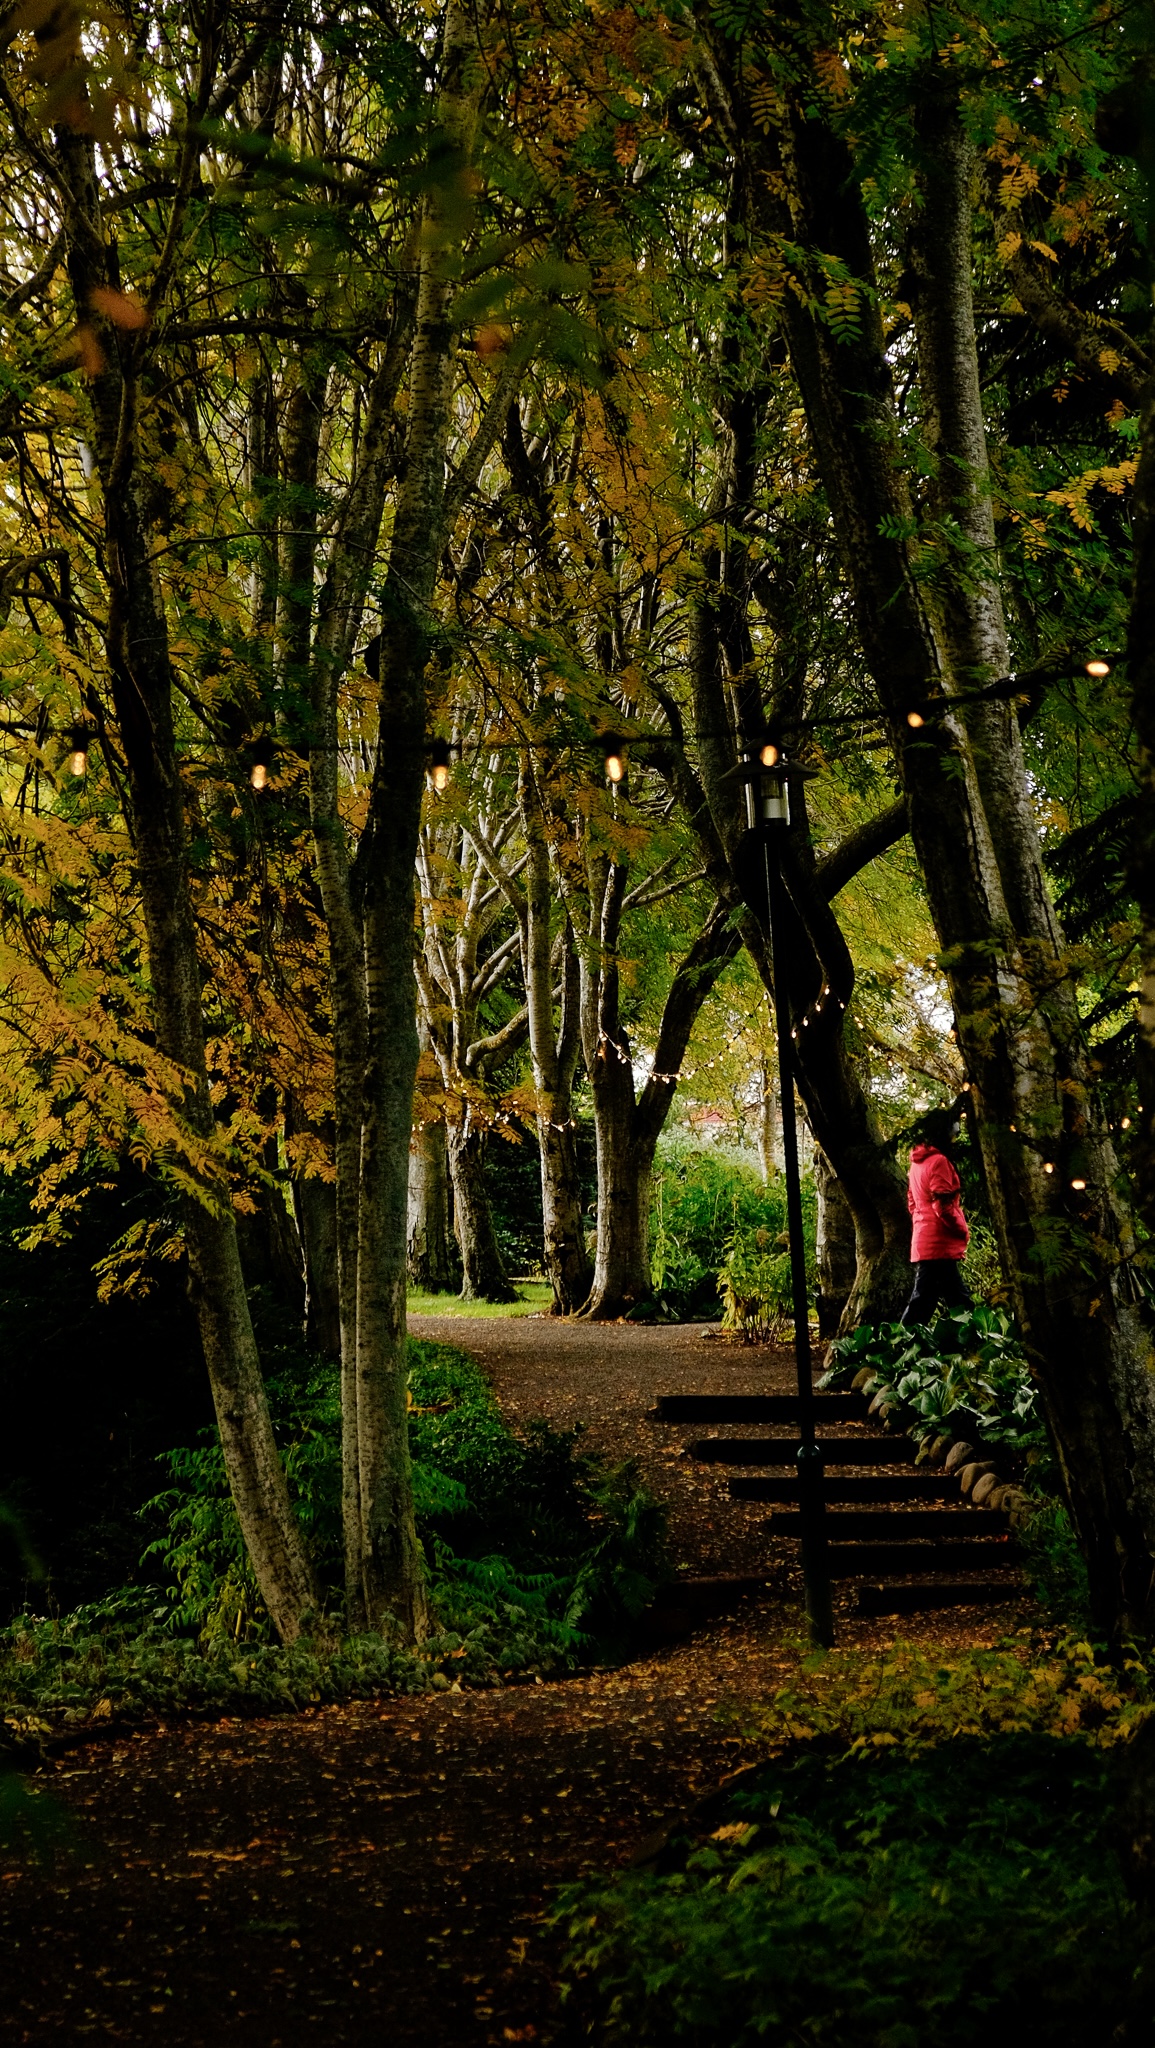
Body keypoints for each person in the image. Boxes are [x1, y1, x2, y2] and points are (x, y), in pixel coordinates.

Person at [900, 1109, 972, 1326]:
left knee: (941, 1298)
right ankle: (901, 1343)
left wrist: (923, 1222)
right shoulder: (939, 1161)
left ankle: (906, 1343)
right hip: (939, 1240)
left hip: (926, 1237)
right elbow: (943, 1205)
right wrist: (962, 1230)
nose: (957, 1132)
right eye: (954, 1127)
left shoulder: (917, 1162)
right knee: (942, 1300)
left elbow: (912, 1201)